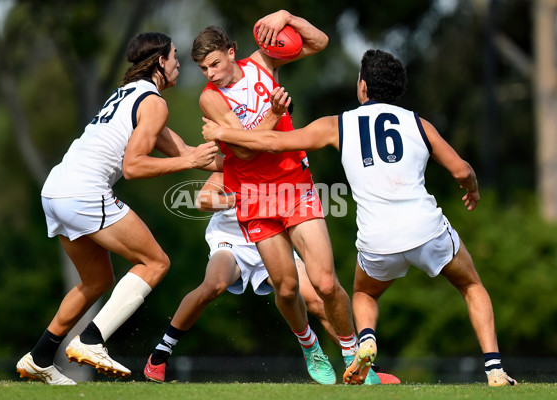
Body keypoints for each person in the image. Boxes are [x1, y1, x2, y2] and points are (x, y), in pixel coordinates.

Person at [201, 49, 517, 387]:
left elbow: (273, 141)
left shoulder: (338, 125)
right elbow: (460, 169)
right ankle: (494, 369)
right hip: (426, 229)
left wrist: (224, 134)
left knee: (364, 295)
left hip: (377, 239)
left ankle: (365, 341)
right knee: (471, 285)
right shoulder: (418, 123)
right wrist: (471, 187)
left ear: (363, 86)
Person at [16, 32, 221, 385]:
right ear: (159, 61)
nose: (178, 64)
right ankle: (92, 340)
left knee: (97, 280)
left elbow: (187, 150)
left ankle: (39, 357)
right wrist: (188, 163)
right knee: (156, 262)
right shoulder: (154, 103)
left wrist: (246, 165)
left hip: (56, 190)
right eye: (174, 56)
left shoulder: (130, 95)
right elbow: (134, 166)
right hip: (83, 192)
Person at [189, 10, 362, 385]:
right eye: (203, 69)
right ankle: (309, 344)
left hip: (293, 182)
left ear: (232, 52)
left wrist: (287, 16)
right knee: (285, 288)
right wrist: (275, 113)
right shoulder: (210, 99)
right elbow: (248, 152)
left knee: (326, 283)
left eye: (214, 63)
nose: (211, 74)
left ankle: (352, 353)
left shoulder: (264, 63)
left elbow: (319, 42)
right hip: (251, 196)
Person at [143, 172, 340, 383]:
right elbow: (203, 200)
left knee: (317, 302)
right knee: (213, 285)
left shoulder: (280, 165)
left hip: (272, 238)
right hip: (231, 242)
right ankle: (160, 354)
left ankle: (358, 362)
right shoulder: (229, 166)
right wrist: (239, 199)